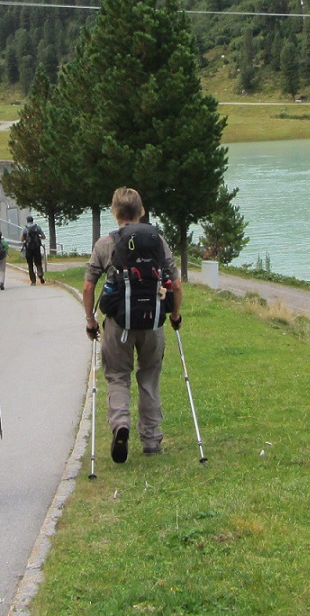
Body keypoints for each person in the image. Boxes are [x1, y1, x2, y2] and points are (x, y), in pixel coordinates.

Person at [82, 187, 182, 462]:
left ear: (114, 212)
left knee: (117, 375)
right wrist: (174, 315)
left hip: (118, 324)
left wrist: (91, 320)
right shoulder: (157, 241)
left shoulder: (105, 244)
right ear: (142, 211)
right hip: (153, 323)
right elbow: (176, 283)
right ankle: (151, 440)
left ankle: (120, 424)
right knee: (149, 376)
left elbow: (89, 286)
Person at [20, 216, 46, 285]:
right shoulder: (37, 227)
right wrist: (38, 237)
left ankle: (33, 281)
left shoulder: (25, 228)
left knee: (30, 265)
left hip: (28, 249)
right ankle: (40, 274)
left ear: (27, 221)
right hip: (37, 248)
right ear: (32, 220)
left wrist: (26, 238)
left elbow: (22, 239)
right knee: (38, 263)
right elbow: (43, 236)